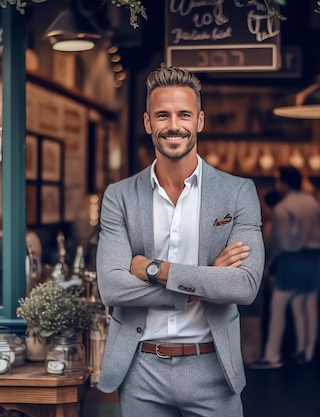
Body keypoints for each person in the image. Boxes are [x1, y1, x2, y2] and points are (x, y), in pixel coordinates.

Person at [95, 64, 264, 417]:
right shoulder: (119, 196)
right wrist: (204, 280)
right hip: (141, 370)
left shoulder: (238, 193)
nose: (174, 125)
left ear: (200, 121)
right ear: (147, 123)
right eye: (163, 115)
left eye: (184, 114)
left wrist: (153, 268)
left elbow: (244, 286)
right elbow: (112, 288)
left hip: (213, 369)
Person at [251, 166, 320, 369]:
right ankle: (306, 351)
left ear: (284, 183)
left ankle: (272, 356)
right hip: (316, 257)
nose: (277, 185)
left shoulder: (283, 208)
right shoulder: (312, 202)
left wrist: (270, 264)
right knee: (308, 306)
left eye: (278, 181)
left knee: (278, 306)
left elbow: (282, 243)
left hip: (293, 259)